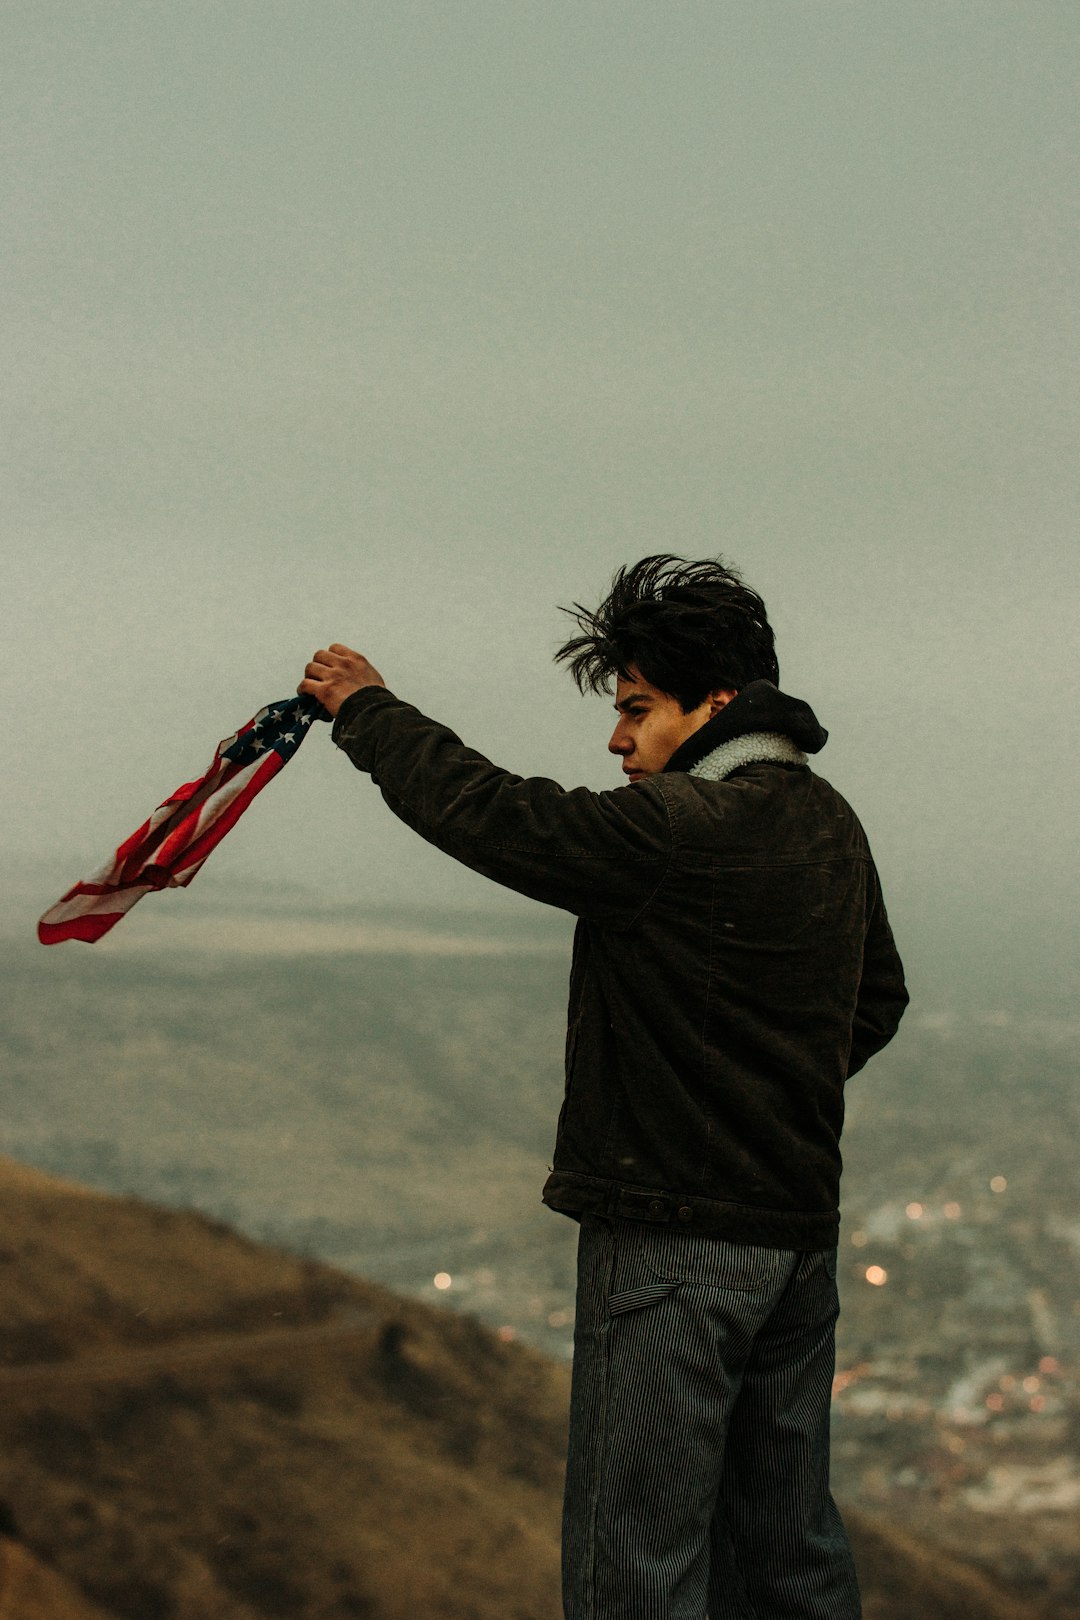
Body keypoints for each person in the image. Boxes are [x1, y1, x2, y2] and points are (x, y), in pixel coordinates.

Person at [298, 554, 907, 1620]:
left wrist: (368, 713)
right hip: (796, 1244)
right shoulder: (830, 825)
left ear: (714, 704)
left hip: (672, 1245)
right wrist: (758, 1087)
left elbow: (496, 816)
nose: (618, 739)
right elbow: (879, 998)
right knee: (788, 1554)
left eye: (636, 709)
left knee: (638, 1568)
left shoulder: (680, 829)